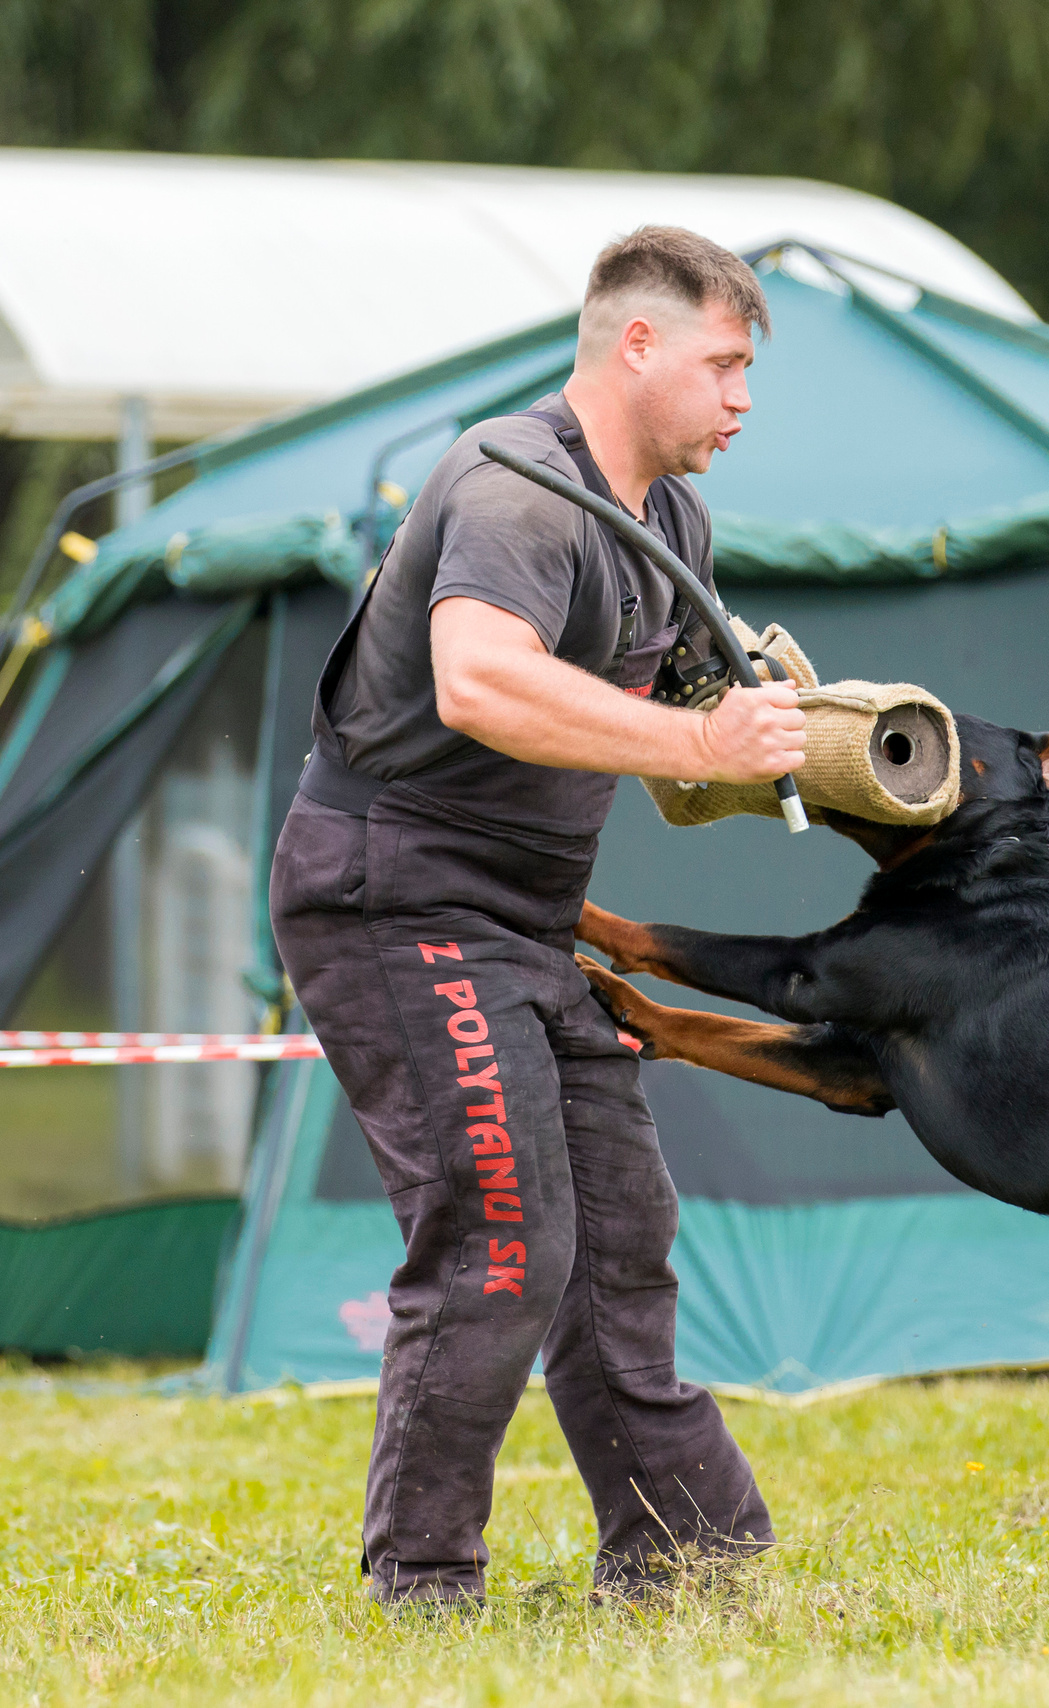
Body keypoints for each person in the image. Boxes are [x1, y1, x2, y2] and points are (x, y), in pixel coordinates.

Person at [269, 226, 806, 1605]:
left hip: (526, 919)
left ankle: (689, 1561)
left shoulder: (672, 520)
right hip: (392, 896)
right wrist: (700, 749)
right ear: (637, 346)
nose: (744, 399)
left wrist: (820, 733)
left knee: (620, 1236)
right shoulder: (518, 489)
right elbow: (479, 684)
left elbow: (689, 720)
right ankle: (424, 1589)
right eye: (725, 365)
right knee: (501, 1241)